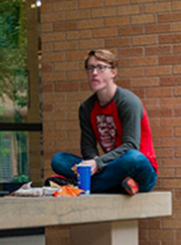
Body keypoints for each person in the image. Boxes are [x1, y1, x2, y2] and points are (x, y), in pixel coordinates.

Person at [50, 49, 158, 195]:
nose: (94, 73)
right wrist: (92, 163)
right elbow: (88, 147)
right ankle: (118, 186)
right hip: (110, 168)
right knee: (59, 160)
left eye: (101, 68)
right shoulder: (86, 108)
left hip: (140, 170)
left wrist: (98, 163)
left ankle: (78, 185)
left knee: (133, 158)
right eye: (91, 68)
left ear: (113, 72)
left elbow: (131, 145)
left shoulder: (128, 102)